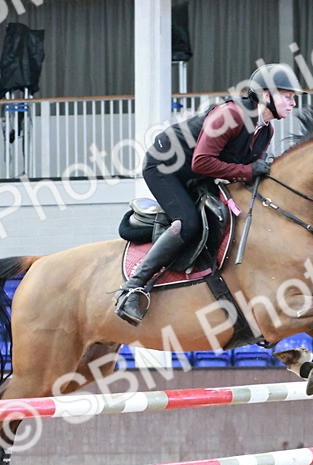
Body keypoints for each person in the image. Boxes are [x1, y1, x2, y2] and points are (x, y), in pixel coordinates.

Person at [114, 63, 303, 325]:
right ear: (266, 95)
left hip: (198, 175)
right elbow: (202, 161)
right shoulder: (231, 115)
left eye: (294, 97)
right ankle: (133, 288)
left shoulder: (265, 131)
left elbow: (241, 174)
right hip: (165, 167)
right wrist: (248, 171)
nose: (293, 102)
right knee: (189, 223)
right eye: (287, 95)